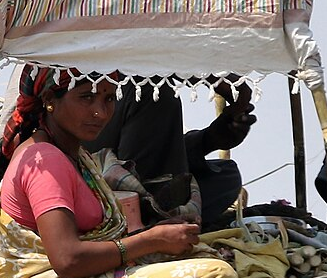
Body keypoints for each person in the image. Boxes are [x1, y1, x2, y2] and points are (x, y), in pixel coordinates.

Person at [0, 65, 240, 278]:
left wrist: (158, 232)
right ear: (51, 100)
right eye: (86, 99)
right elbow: (67, 259)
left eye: (108, 99)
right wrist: (152, 241)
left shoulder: (72, 154)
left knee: (203, 255)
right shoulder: (45, 161)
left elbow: (88, 239)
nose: (100, 113)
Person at [85, 80, 256, 229]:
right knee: (153, 89)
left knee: (226, 176)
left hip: (136, 172)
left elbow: (157, 146)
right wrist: (219, 78)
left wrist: (208, 140)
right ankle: (146, 217)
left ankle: (156, 210)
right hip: (95, 179)